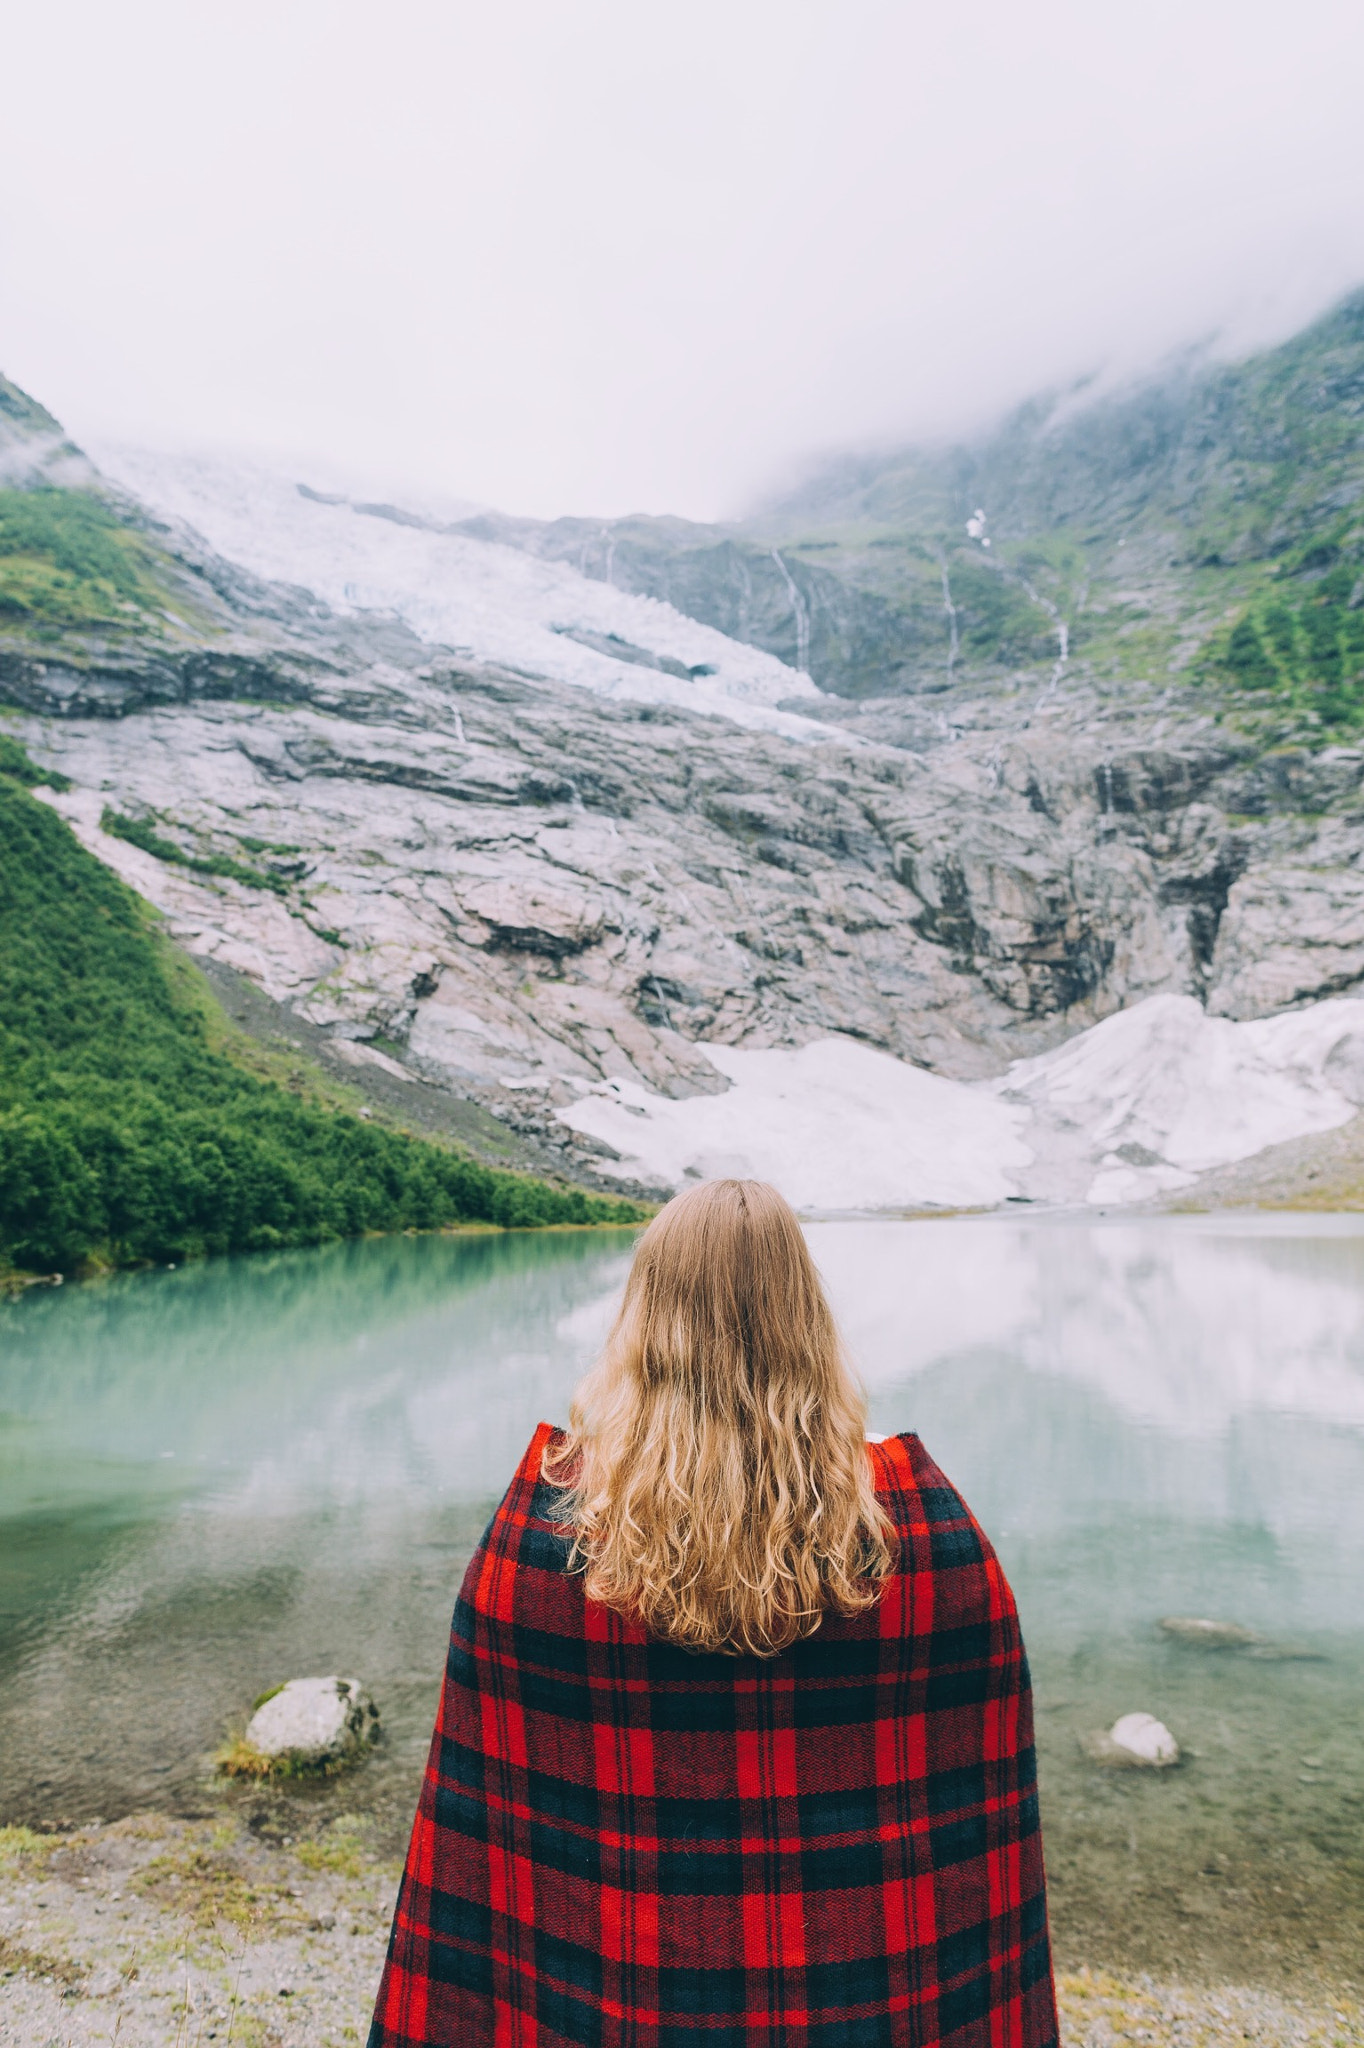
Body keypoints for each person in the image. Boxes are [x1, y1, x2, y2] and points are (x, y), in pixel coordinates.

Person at [369, 1178, 1057, 2048]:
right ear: (808, 1319)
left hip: (612, 2009)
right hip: (858, 2014)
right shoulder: (931, 1542)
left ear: (643, 1319)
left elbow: (487, 1843)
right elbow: (973, 1829)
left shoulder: (539, 1544)